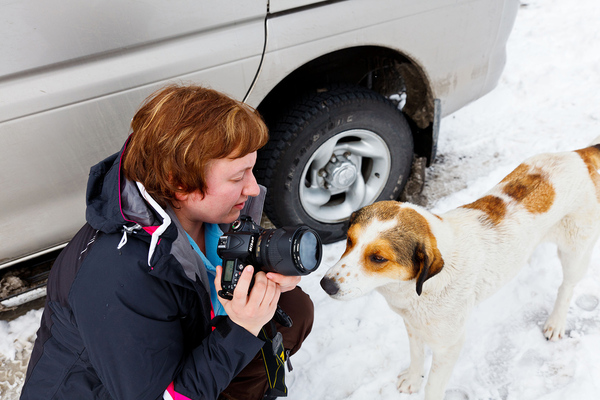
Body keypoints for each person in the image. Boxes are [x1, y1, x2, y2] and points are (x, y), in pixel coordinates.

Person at [21, 85, 314, 400]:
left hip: (180, 345)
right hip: (119, 392)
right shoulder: (120, 276)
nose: (254, 188)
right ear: (179, 183)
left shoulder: (207, 215)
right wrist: (242, 328)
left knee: (292, 308)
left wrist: (262, 283)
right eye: (237, 177)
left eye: (251, 170)